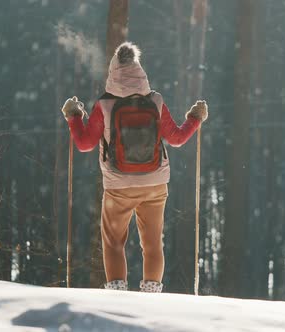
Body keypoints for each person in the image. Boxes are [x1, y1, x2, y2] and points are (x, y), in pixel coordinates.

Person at [60, 42, 208, 292]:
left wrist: (74, 117)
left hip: (118, 186)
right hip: (155, 183)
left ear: (112, 71)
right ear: (139, 69)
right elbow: (177, 139)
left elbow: (85, 144)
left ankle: (117, 294)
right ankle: (151, 294)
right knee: (152, 244)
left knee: (114, 242)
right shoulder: (155, 100)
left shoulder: (104, 105)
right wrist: (195, 119)